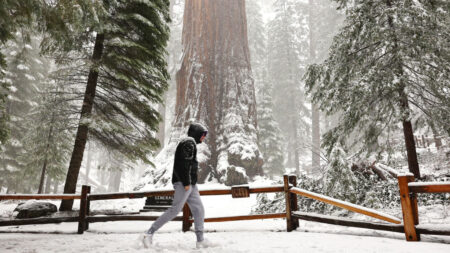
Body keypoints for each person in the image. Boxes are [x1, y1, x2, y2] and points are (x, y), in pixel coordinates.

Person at [141, 123, 216, 249]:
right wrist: (186, 183)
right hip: (184, 183)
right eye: (202, 134)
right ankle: (148, 234)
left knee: (199, 209)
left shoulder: (190, 143)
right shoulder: (188, 143)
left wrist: (190, 183)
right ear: (196, 133)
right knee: (174, 210)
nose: (204, 137)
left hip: (190, 184)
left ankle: (200, 240)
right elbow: (183, 164)